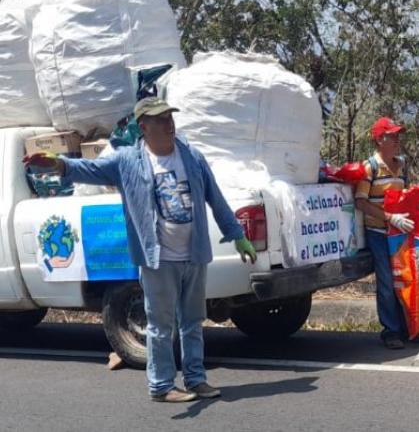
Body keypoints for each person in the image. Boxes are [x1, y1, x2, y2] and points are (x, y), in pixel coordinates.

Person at [24, 95, 258, 403]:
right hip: (158, 258)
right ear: (143, 127)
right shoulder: (127, 162)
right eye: (161, 119)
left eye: (170, 117)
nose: (169, 123)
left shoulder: (191, 156)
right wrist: (58, 164)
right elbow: (88, 169)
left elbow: (216, 198)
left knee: (192, 322)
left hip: (194, 253)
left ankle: (196, 379)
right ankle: (161, 386)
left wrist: (236, 233)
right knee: (161, 325)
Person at [354, 117, 413, 349]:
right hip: (378, 232)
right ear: (380, 139)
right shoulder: (371, 167)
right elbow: (361, 202)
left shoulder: (400, 165)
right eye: (392, 136)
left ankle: (407, 327)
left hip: (399, 233)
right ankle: (390, 330)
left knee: (404, 279)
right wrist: (389, 217)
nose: (397, 140)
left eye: (398, 135)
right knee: (387, 282)